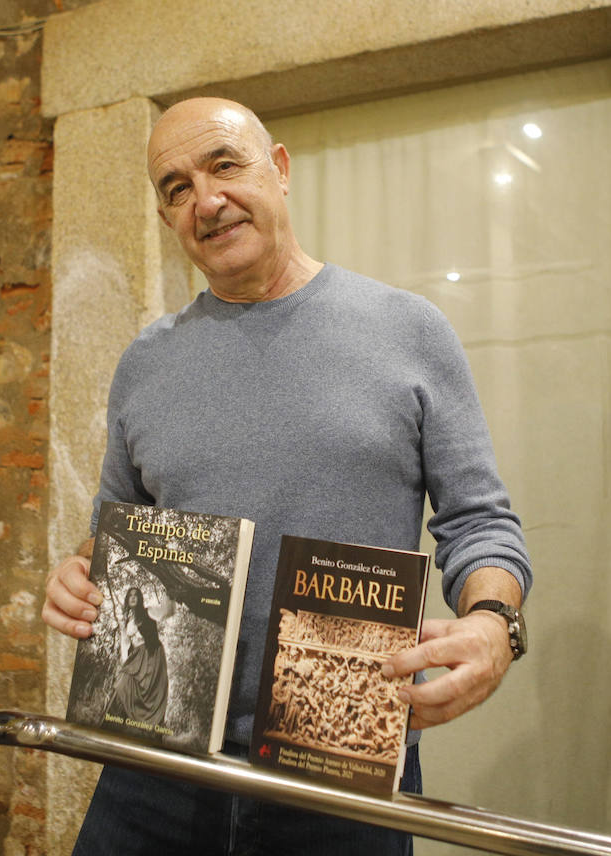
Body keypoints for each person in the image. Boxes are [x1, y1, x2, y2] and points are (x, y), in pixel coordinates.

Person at [42, 96, 532, 855]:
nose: (206, 200)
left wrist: (494, 624)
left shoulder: (408, 331)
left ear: (278, 169)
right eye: (176, 188)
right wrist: (78, 573)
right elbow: (116, 526)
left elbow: (479, 522)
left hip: (339, 771)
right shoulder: (147, 362)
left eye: (224, 165)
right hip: (154, 766)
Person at [105, 587, 172, 727]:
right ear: (127, 600)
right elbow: (125, 643)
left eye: (136, 595)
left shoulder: (149, 612)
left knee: (151, 691)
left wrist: (169, 592)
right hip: (136, 658)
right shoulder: (127, 622)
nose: (133, 598)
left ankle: (149, 724)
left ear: (140, 598)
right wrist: (125, 663)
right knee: (123, 682)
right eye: (130, 596)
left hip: (153, 655)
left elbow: (167, 612)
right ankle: (115, 724)